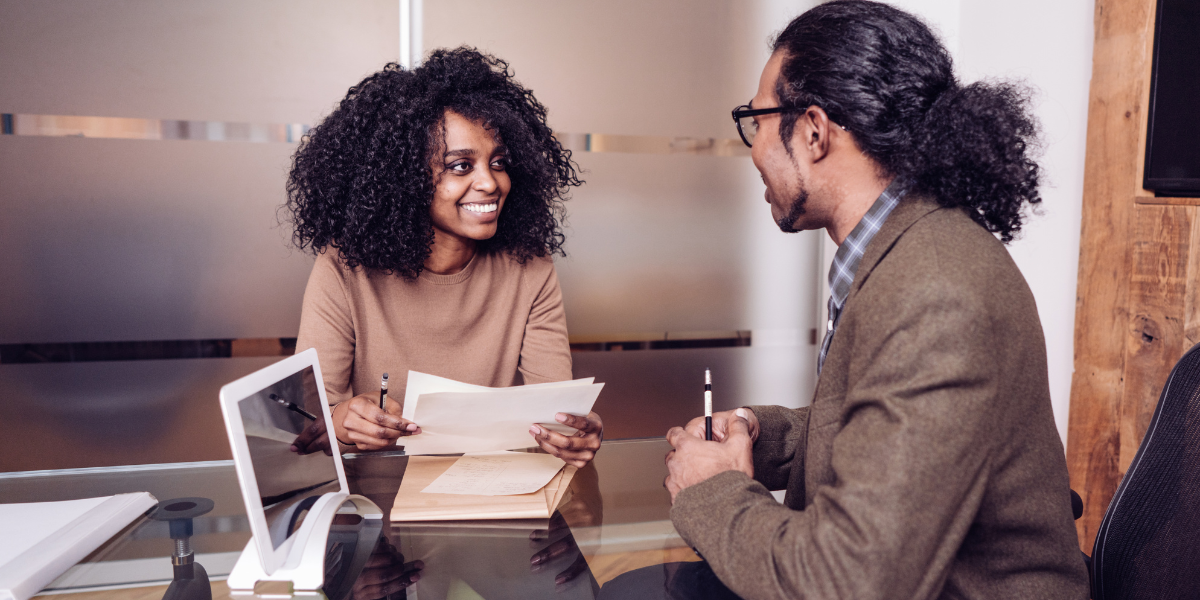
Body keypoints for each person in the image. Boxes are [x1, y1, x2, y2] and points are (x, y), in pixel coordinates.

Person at [650, 2, 1090, 598]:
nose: (753, 148)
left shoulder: (935, 292)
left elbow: (851, 582)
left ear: (812, 131)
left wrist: (712, 489)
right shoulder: (906, 247)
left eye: (756, 121)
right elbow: (879, 426)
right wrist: (757, 433)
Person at [285, 47, 603, 467]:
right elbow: (306, 426)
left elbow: (556, 411)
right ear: (403, 178)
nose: (490, 183)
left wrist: (574, 431)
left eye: (499, 162)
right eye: (460, 166)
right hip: (374, 505)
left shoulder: (531, 266)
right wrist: (342, 421)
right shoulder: (344, 269)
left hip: (489, 498)